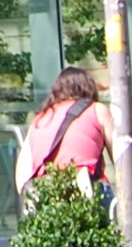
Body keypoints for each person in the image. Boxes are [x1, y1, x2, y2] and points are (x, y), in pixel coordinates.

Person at [17, 65, 112, 199]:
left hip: (48, 193)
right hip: (86, 189)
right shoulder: (97, 110)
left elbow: (22, 176)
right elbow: (122, 161)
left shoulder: (40, 119)